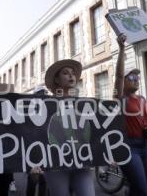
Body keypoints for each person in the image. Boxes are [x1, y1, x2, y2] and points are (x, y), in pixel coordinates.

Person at [113, 34, 147, 196]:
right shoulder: (119, 98)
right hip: (128, 147)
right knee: (142, 190)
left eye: (137, 77)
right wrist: (122, 49)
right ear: (124, 82)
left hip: (144, 145)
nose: (136, 79)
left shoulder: (143, 99)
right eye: (131, 77)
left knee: (143, 186)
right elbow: (118, 75)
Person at [43, 59, 96, 196]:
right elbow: (38, 133)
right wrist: (35, 162)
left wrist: (107, 154)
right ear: (56, 80)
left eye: (73, 73)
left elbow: (95, 131)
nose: (71, 76)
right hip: (55, 165)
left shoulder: (84, 105)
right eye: (65, 73)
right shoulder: (46, 105)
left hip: (82, 163)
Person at [26, 86, 47, 196]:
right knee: (33, 180)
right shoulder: (29, 111)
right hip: (33, 151)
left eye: (44, 93)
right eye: (40, 93)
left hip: (46, 151)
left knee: (44, 180)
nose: (43, 95)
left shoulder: (49, 108)